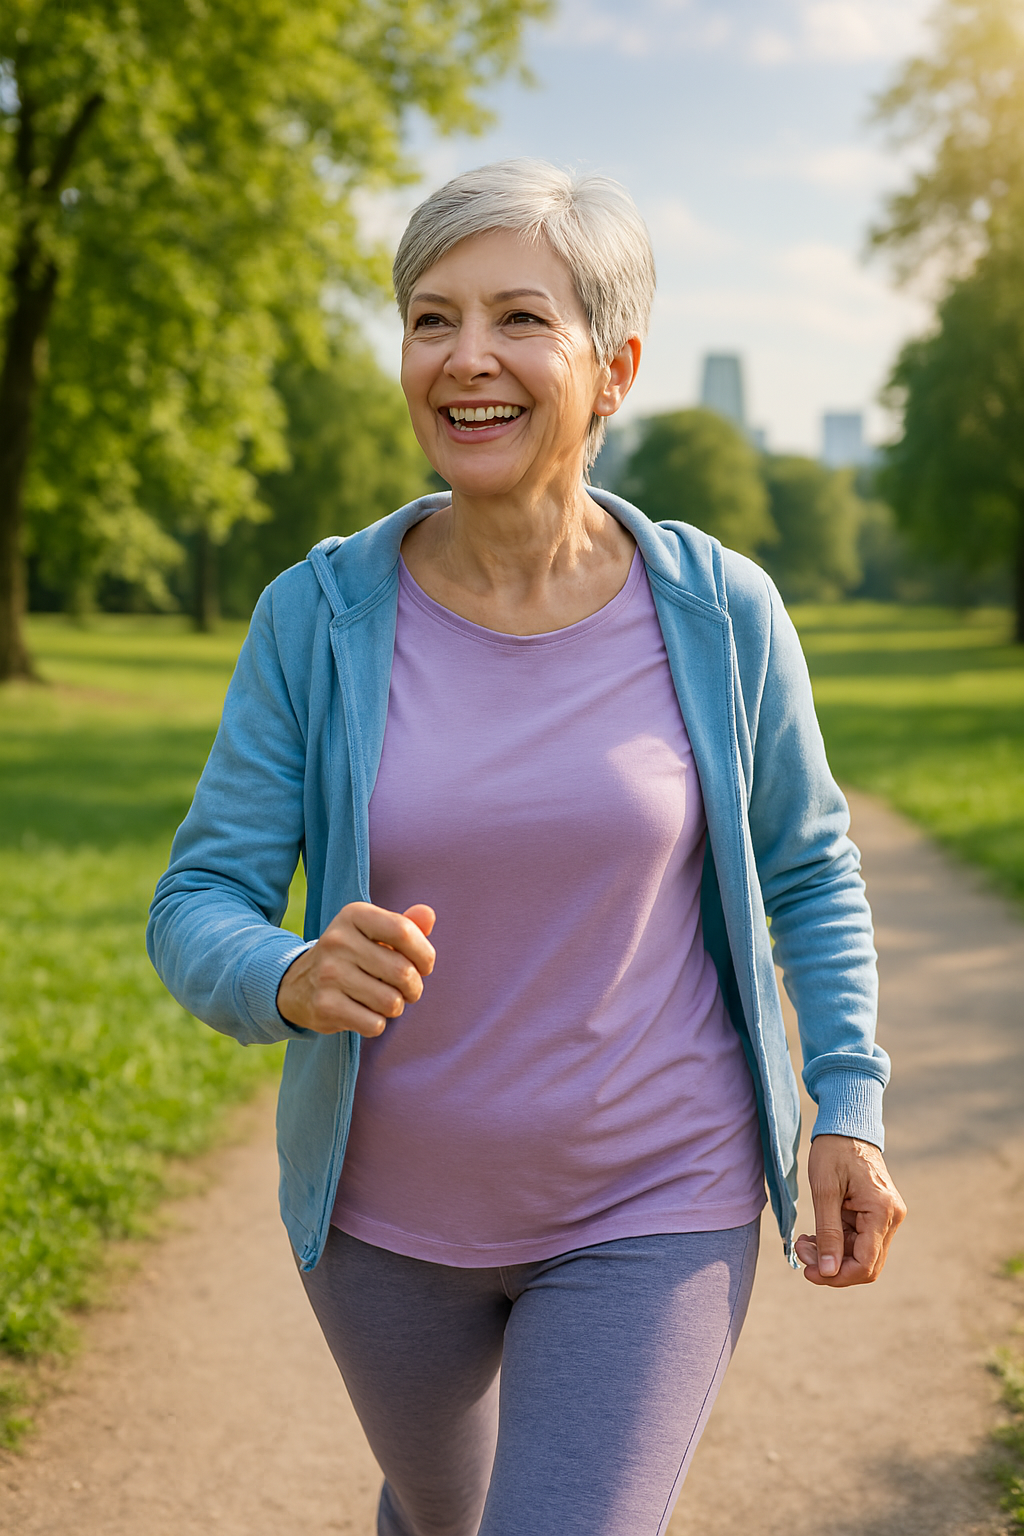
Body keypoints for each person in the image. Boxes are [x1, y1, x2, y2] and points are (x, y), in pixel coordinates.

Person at [148, 159, 906, 1536]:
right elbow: (199, 897)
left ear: (612, 367)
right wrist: (284, 973)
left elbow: (810, 867)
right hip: (383, 1226)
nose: (466, 358)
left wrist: (843, 1101)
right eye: (430, 319)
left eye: (517, 318)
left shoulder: (721, 611)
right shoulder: (316, 615)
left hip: (654, 1199)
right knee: (448, 1516)